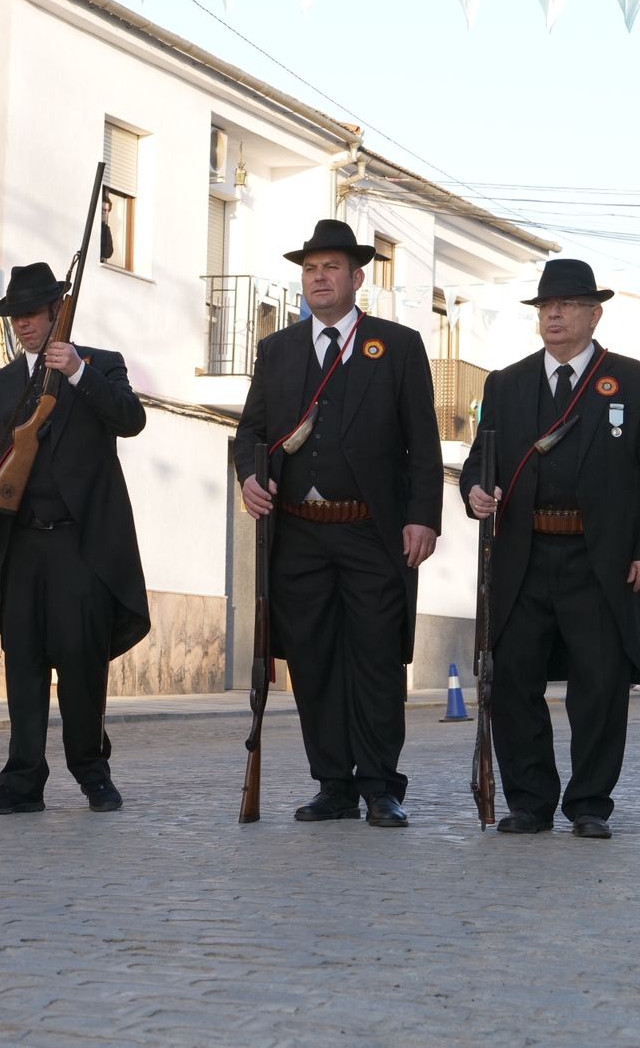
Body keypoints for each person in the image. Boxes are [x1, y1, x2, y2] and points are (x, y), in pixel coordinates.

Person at [234, 219, 442, 829]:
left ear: (357, 278)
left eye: (331, 268)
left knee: (375, 661)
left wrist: (422, 518)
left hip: (371, 532)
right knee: (315, 662)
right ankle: (333, 783)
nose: (319, 278)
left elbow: (422, 445)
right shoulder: (278, 350)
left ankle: (380, 785)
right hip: (299, 533)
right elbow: (252, 431)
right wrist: (250, 474)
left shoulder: (396, 346)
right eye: (310, 269)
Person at [464, 258, 640, 839]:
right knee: (512, 680)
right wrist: (476, 492)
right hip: (523, 558)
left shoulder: (634, 381)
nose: (553, 314)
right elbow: (479, 462)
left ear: (593, 313)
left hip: (600, 560)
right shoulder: (505, 384)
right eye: (544, 307)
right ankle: (530, 802)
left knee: (601, 685)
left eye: (566, 305)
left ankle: (589, 804)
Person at [0, 262, 149, 815]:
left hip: (81, 546)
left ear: (56, 313)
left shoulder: (100, 365)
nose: (23, 324)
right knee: (21, 665)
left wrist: (78, 374)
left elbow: (130, 419)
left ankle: (93, 773)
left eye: (32, 314)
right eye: (15, 316)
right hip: (21, 545)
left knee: (82, 663)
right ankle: (22, 782)